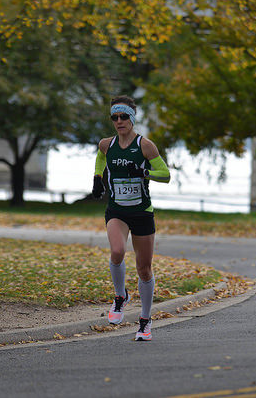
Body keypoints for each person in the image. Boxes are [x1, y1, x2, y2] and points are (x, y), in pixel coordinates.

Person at [92, 95, 170, 341]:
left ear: (132, 118)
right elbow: (101, 158)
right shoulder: (107, 144)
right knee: (116, 251)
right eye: (114, 117)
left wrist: (145, 171)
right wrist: (97, 178)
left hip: (142, 213)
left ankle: (145, 321)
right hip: (117, 211)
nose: (119, 121)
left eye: (124, 116)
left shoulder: (145, 145)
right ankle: (120, 296)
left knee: (144, 269)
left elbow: (166, 174)